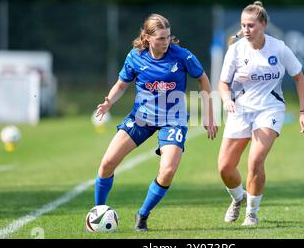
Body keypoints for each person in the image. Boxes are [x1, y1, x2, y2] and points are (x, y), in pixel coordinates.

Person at [93, 13, 217, 232]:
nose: (166, 42)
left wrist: (208, 113)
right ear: (147, 38)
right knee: (107, 163)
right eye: (160, 38)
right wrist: (109, 102)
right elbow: (122, 84)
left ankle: (142, 215)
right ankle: (98, 213)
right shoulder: (135, 56)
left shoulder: (182, 56)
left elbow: (203, 79)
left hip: (173, 119)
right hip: (142, 117)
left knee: (168, 170)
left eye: (168, 37)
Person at [217, 1, 304, 226]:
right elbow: (222, 83)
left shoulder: (279, 48)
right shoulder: (236, 49)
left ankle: (252, 213)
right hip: (240, 109)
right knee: (225, 167)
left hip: (270, 109)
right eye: (243, 25)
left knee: (255, 161)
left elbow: (299, 77)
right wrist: (227, 99)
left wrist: (303, 111)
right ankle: (239, 198)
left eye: (251, 25)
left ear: (263, 24)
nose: (246, 30)